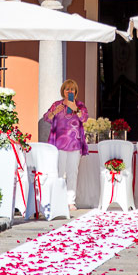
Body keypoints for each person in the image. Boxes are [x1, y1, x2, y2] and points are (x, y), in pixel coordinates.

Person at [42, 79, 89, 211]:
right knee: (59, 172)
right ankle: (58, 199)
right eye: (67, 89)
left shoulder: (80, 105)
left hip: (74, 144)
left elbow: (84, 118)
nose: (69, 91)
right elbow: (46, 117)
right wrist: (54, 112)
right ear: (63, 91)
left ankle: (70, 201)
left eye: (72, 89)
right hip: (59, 144)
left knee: (72, 172)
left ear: (75, 92)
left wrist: (77, 110)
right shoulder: (57, 105)